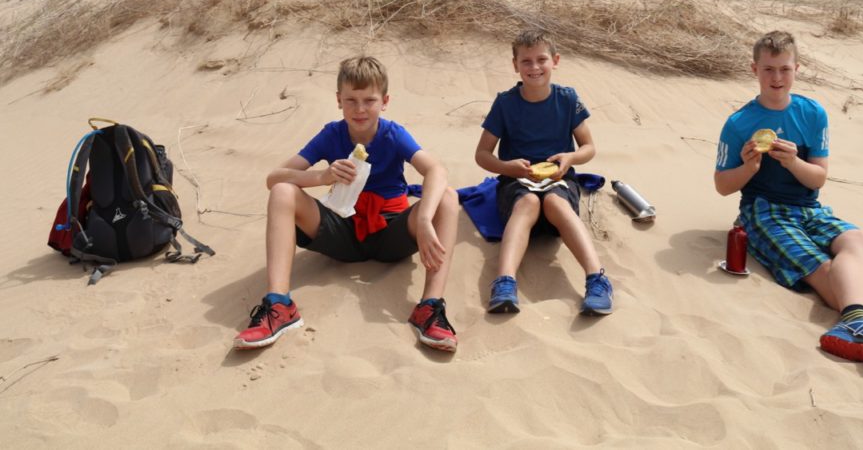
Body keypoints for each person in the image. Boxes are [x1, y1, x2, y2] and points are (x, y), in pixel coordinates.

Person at [713, 30, 863, 370]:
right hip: (763, 211)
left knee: (857, 240)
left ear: (797, 68)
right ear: (754, 70)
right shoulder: (739, 123)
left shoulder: (813, 113)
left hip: (808, 208)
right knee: (823, 266)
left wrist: (793, 162)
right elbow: (722, 186)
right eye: (768, 69)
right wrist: (749, 167)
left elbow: (818, 178)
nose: (777, 78)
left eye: (784, 69)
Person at [234, 56, 460, 352]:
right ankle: (279, 305)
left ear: (385, 101)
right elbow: (274, 178)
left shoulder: (393, 134)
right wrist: (322, 175)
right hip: (343, 229)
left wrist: (423, 219)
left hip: (391, 232)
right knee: (282, 192)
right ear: (338, 100)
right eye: (351, 100)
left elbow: (436, 170)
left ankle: (430, 307)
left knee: (447, 197)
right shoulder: (332, 134)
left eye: (369, 100)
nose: (360, 108)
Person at [474, 29, 613, 316]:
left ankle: (597, 279)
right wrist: (506, 167)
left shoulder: (566, 98)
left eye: (541, 60)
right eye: (526, 61)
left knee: (554, 201)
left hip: (559, 180)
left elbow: (588, 147)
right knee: (529, 201)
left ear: (555, 61)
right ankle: (504, 282)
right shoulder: (505, 103)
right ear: (515, 65)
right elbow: (482, 154)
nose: (534, 67)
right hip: (516, 182)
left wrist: (570, 157)